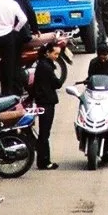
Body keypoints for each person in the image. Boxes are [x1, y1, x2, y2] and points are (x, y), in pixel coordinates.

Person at [33, 39, 64, 171]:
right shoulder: (46, 67)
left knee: (44, 132)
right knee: (45, 133)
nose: (56, 57)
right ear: (48, 53)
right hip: (46, 101)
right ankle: (44, 161)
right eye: (55, 54)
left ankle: (43, 160)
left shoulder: (43, 64)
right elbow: (57, 83)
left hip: (43, 100)